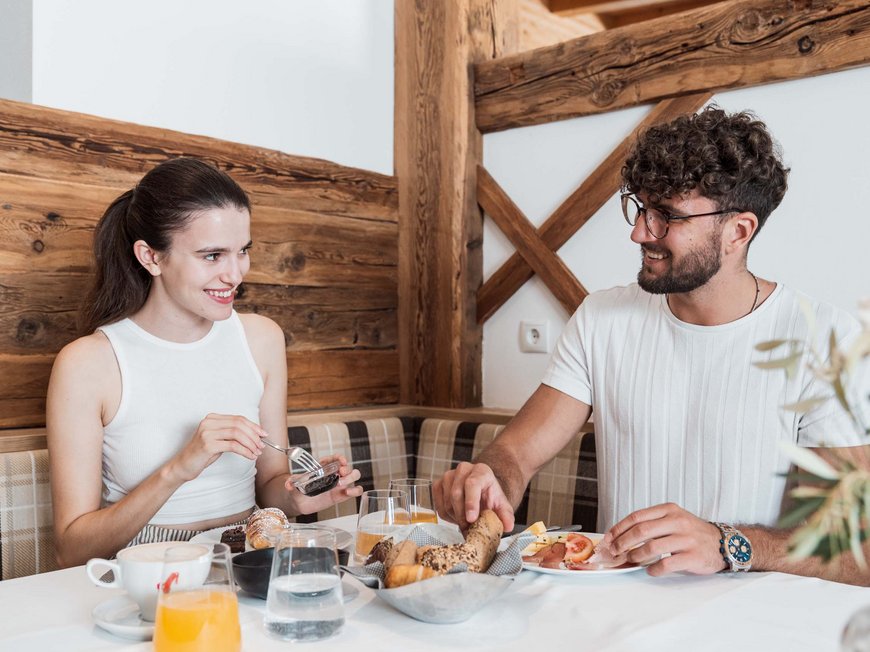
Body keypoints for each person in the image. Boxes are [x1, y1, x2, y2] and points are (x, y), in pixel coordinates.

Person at [434, 106, 867, 584]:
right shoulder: (601, 319)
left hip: (750, 615)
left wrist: (727, 543)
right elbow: (515, 455)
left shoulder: (825, 340)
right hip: (613, 609)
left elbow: (859, 549)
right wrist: (489, 479)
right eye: (640, 208)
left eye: (666, 216)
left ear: (738, 231)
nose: (639, 232)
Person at [47, 158, 362, 567]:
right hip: (147, 570)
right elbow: (72, 549)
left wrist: (299, 496)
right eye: (212, 255)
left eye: (242, 251)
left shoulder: (261, 339)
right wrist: (181, 466)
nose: (235, 275)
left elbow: (269, 485)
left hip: (251, 556)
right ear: (151, 257)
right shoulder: (88, 363)